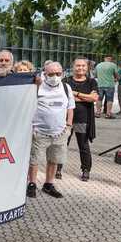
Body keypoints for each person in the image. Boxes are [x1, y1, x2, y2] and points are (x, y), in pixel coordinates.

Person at [27, 61, 75, 199]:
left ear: (63, 73)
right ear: (44, 73)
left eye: (58, 74)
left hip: (59, 132)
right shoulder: (38, 85)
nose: (55, 76)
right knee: (34, 160)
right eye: (51, 74)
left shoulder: (66, 87)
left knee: (54, 159)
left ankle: (48, 184)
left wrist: (69, 126)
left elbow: (70, 108)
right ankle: (32, 184)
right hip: (39, 132)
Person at [60, 58, 99, 181]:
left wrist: (75, 94)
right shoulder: (65, 81)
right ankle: (57, 168)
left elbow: (94, 98)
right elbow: (64, 99)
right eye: (78, 65)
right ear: (73, 66)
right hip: (65, 119)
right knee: (62, 144)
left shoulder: (91, 82)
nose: (80, 68)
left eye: (83, 65)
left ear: (87, 68)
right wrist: (85, 97)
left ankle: (86, 170)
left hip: (83, 118)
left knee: (83, 145)